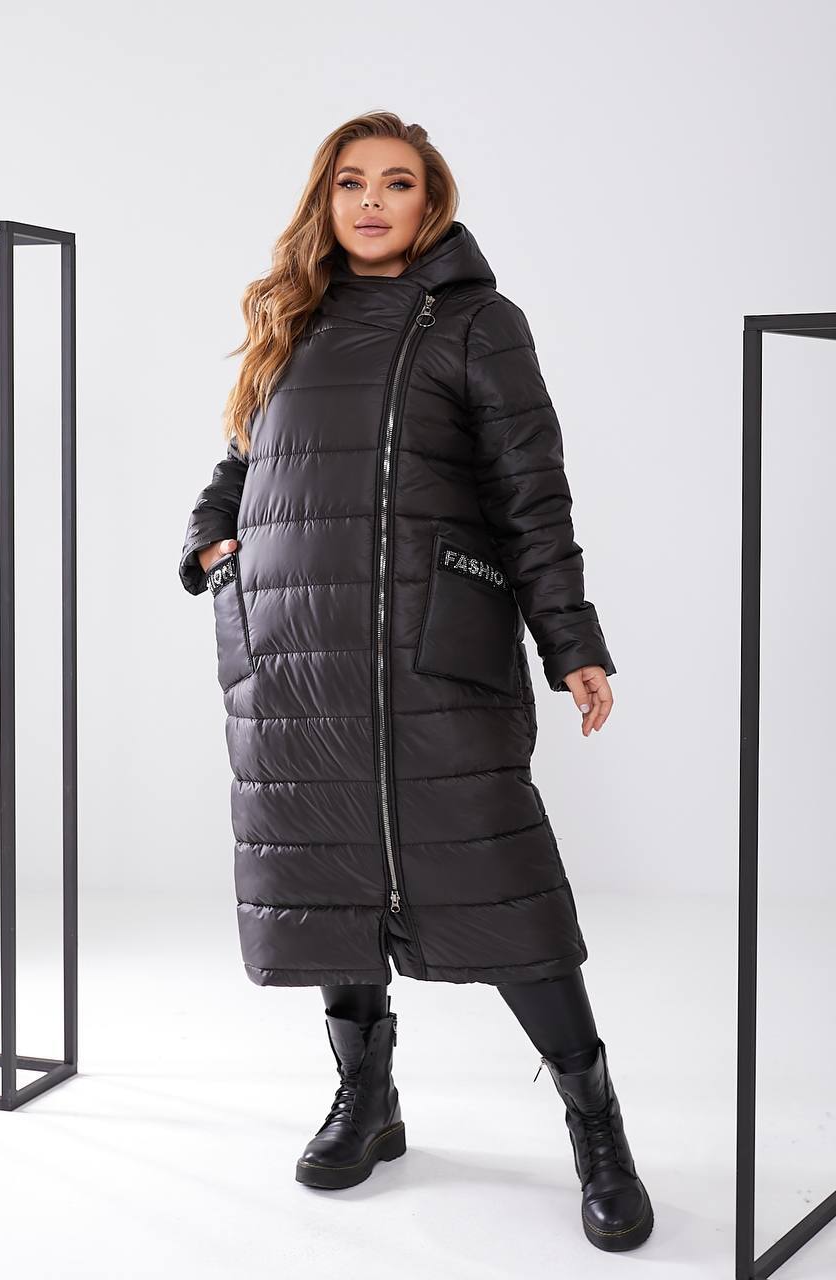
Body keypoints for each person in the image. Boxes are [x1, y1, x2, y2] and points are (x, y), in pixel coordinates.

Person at [178, 110, 653, 1253]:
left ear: (431, 201)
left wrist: (571, 639)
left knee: (503, 887)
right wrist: (210, 542)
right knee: (329, 879)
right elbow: (239, 464)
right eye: (351, 182)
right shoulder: (289, 319)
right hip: (295, 655)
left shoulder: (481, 323)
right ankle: (367, 1097)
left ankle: (595, 1122)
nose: (373, 201)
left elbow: (533, 494)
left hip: (433, 653)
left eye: (397, 183)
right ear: (325, 200)